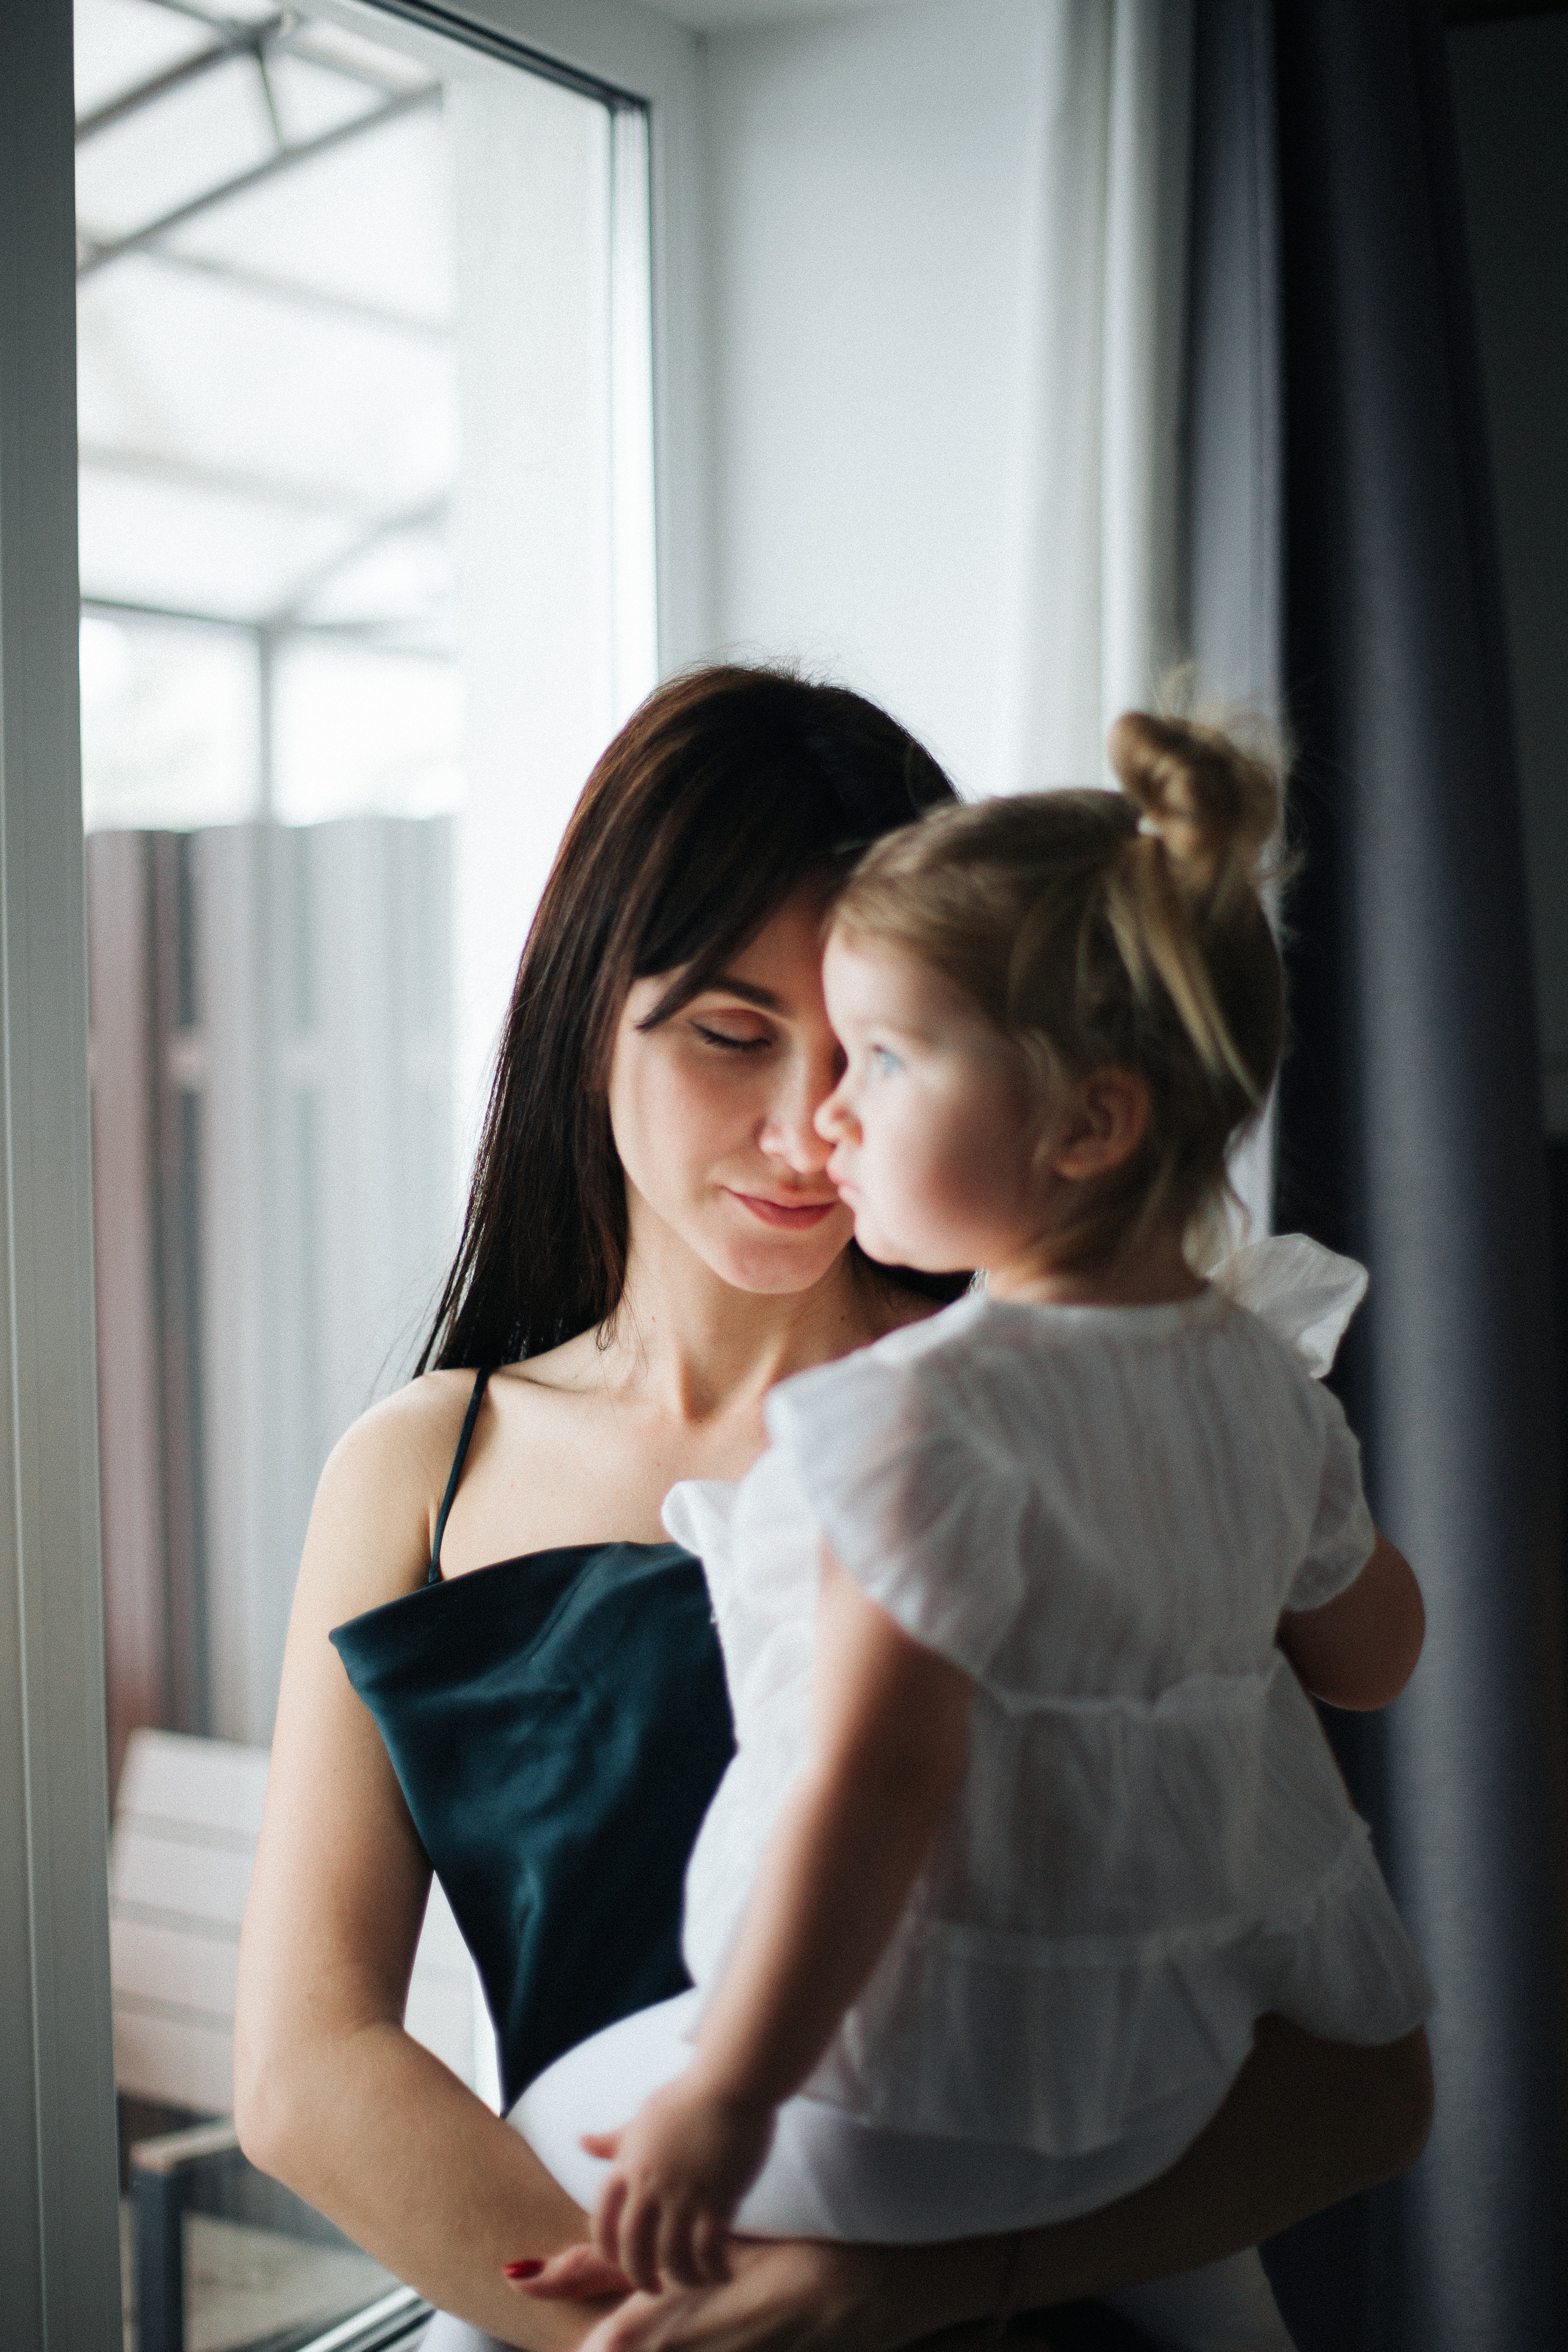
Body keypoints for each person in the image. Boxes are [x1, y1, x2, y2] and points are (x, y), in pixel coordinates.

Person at [234, 669, 1433, 2352]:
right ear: (590, 1009)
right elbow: (307, 2075)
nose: (811, 1127)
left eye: (876, 1047)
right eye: (736, 1035)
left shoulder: (1067, 1427)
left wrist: (907, 2295)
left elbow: (1364, 2085)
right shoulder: (419, 1474)